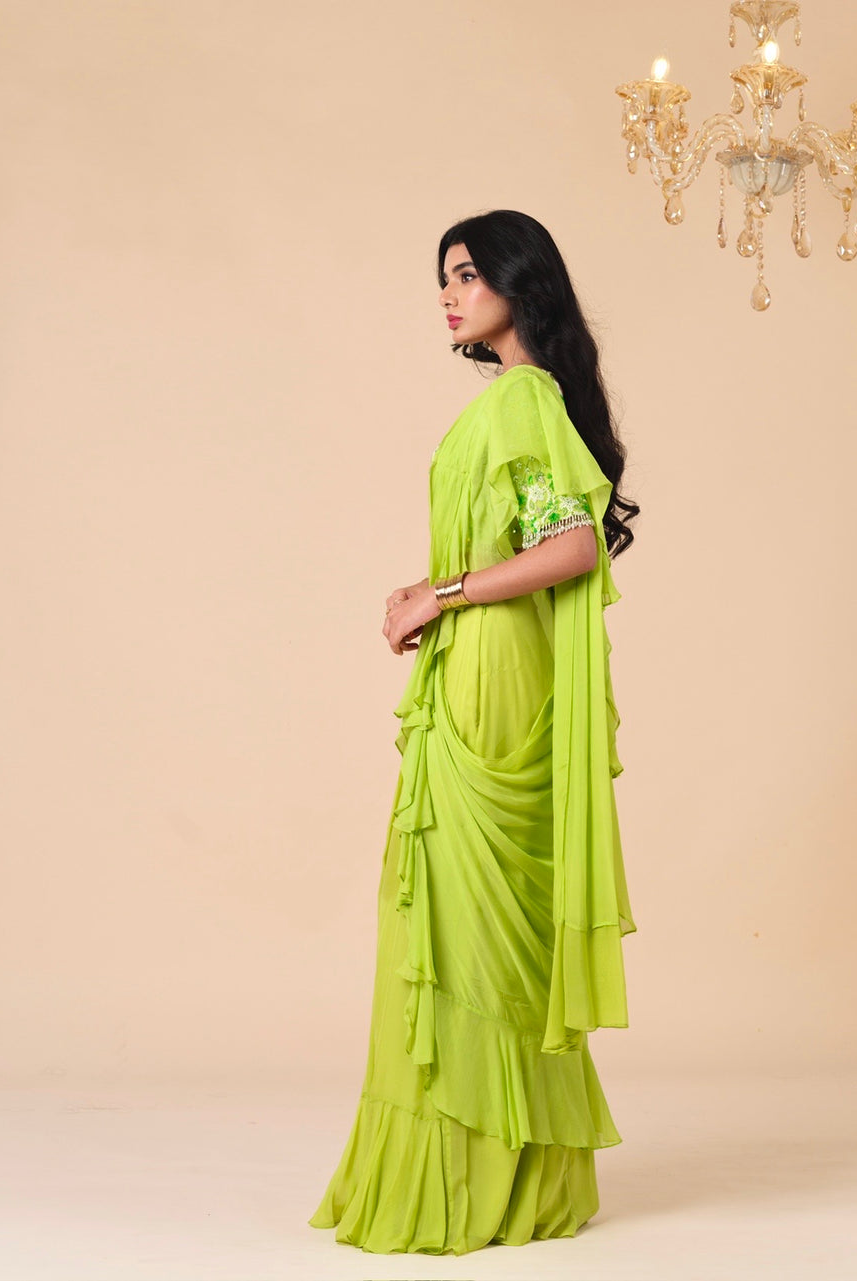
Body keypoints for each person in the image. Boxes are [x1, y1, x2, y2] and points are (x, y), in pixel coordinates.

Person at [309, 209, 639, 1255]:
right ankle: (501, 1177)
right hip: (492, 665)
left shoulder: (525, 400)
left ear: (516, 280)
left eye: (465, 274)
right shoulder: (520, 401)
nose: (448, 294)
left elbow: (573, 546)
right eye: (441, 279)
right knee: (462, 924)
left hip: (496, 676)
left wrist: (437, 593)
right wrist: (436, 595)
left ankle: (473, 1184)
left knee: (463, 924)